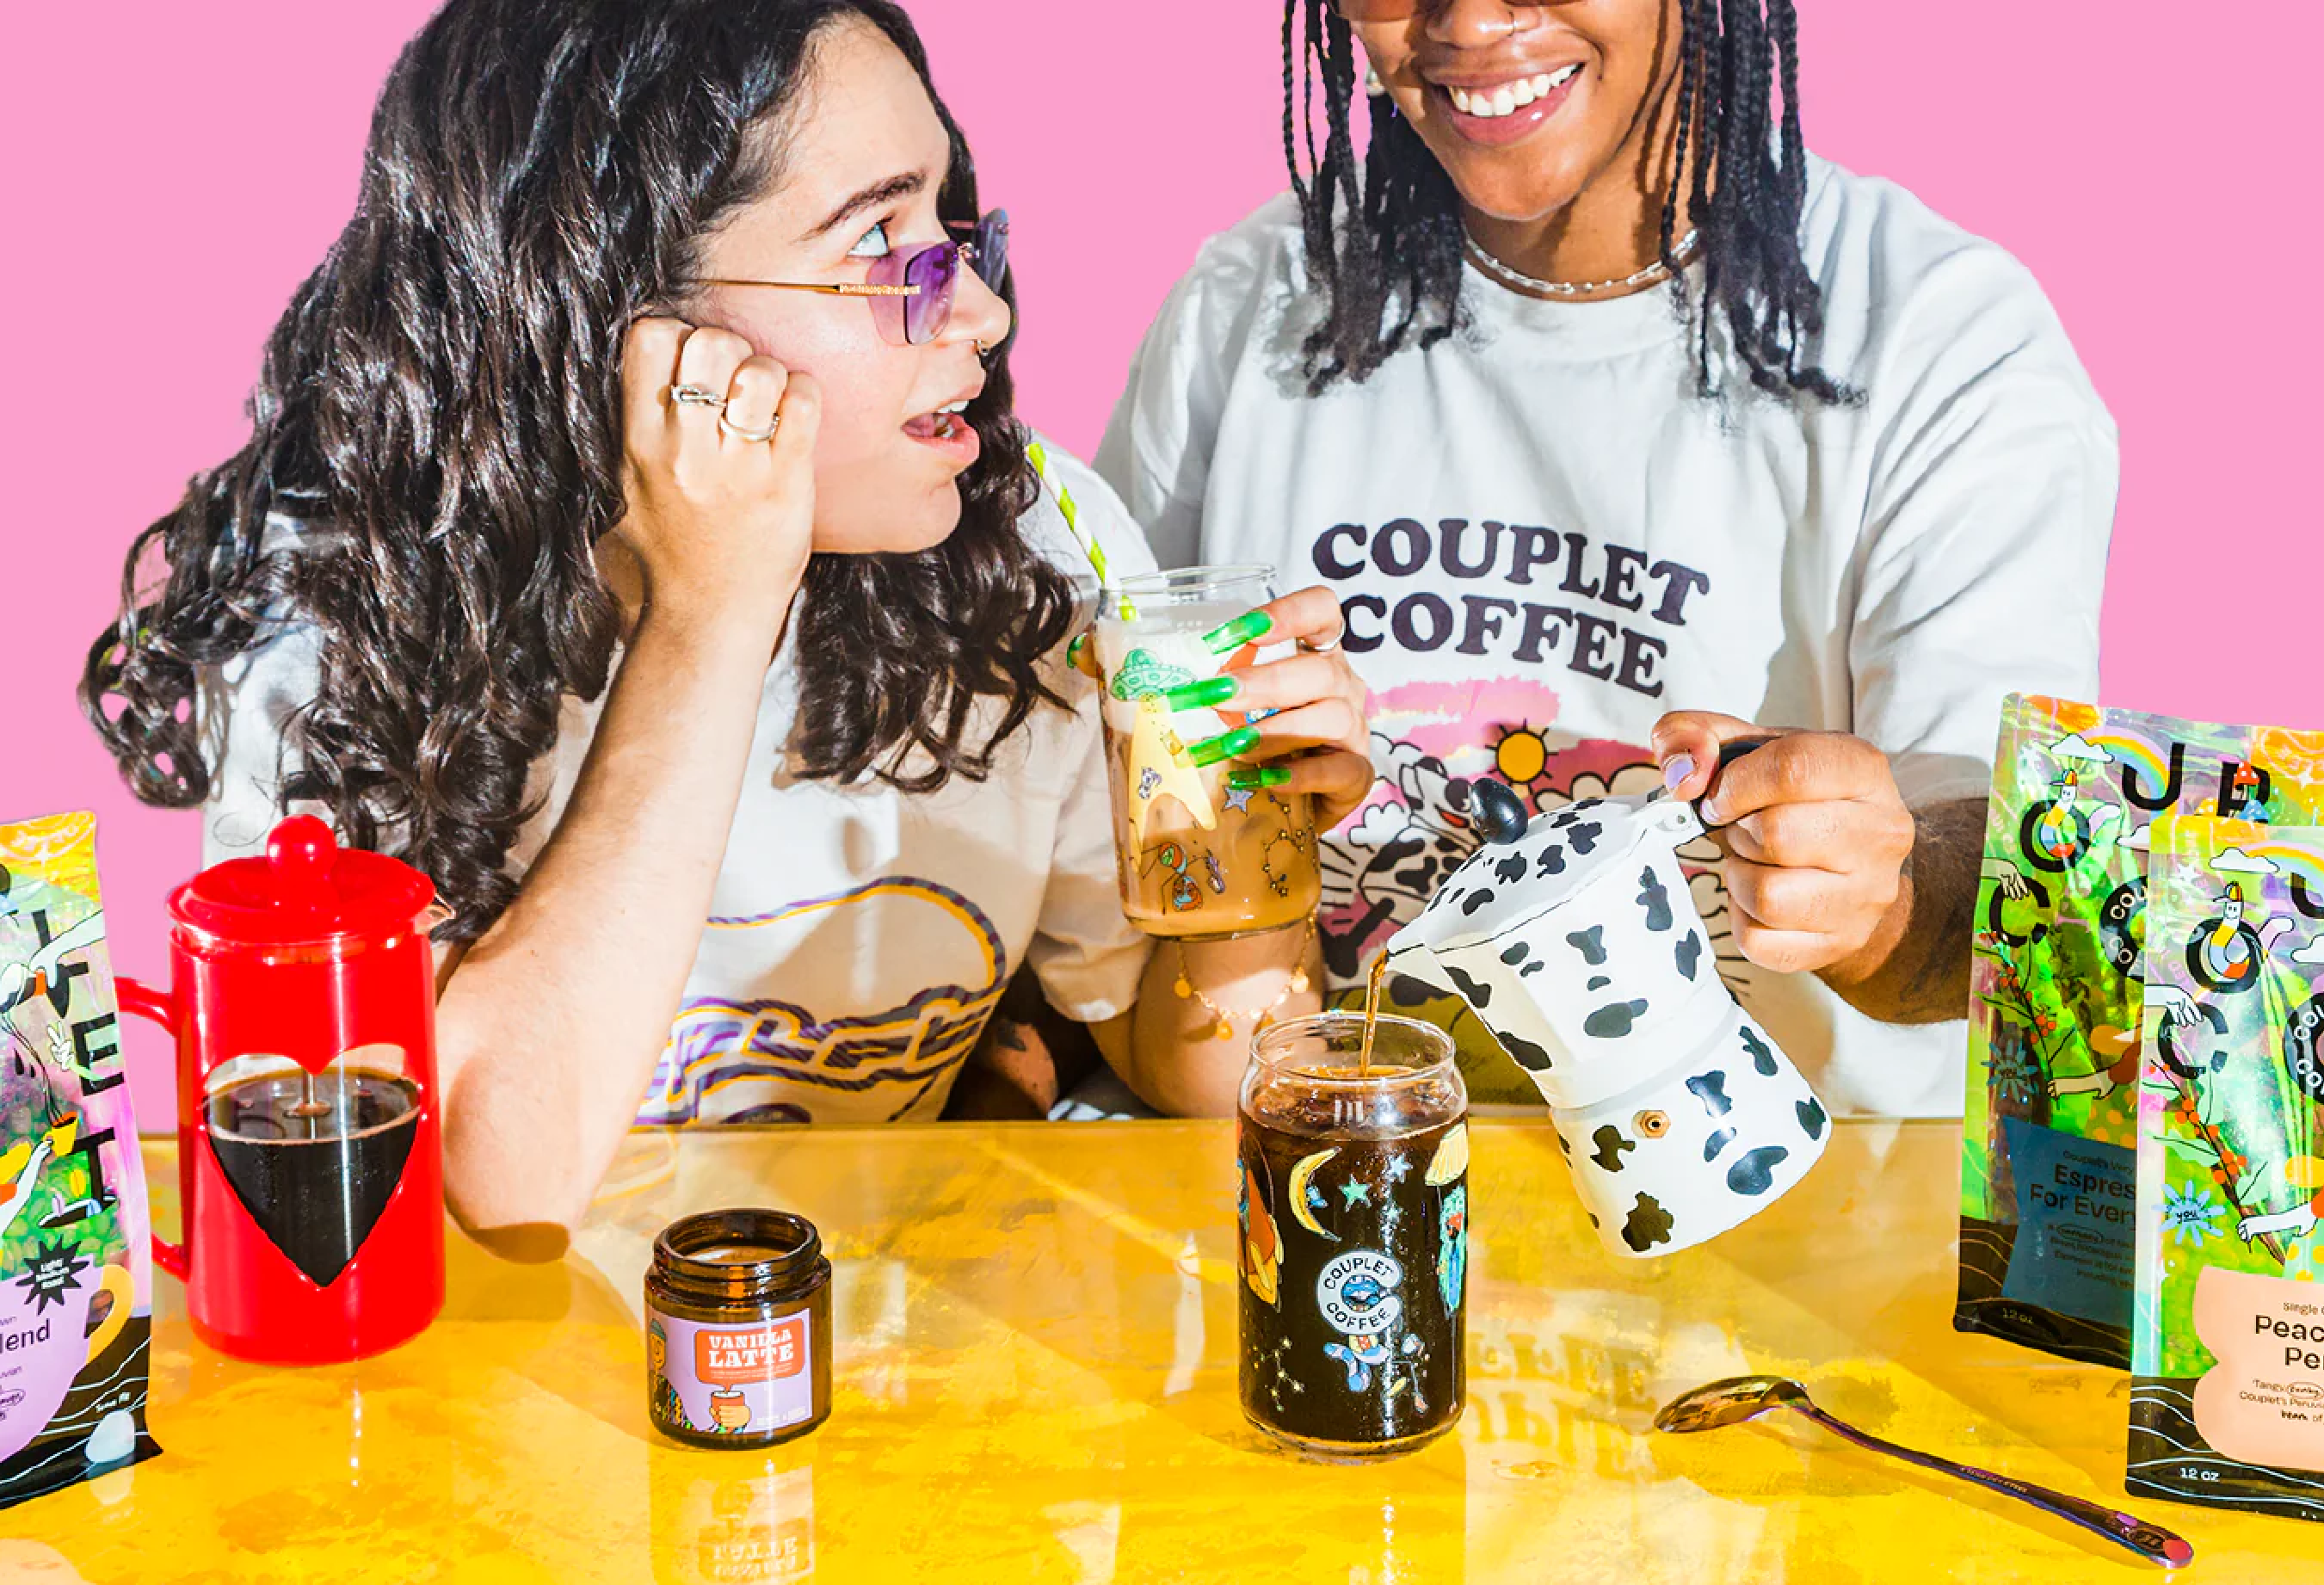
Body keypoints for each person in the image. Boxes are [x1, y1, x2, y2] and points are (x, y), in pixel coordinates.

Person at [79, 0, 1375, 1243]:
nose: (983, 312)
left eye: (953, 229)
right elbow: (492, 1187)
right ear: (617, 313)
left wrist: (1250, 842)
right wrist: (711, 610)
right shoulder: (337, 615)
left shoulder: (1030, 544)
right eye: (881, 247)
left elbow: (1197, 1069)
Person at [1097, 0, 2117, 1116]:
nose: (1468, 19)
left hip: (1780, 1207)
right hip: (1344, 1191)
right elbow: (1077, 820)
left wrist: (1884, 901)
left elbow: (2021, 875)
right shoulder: (1246, 309)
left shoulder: (1938, 337)